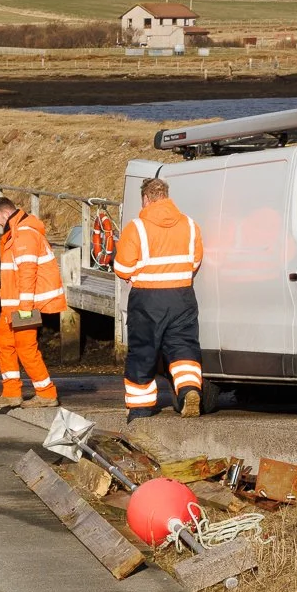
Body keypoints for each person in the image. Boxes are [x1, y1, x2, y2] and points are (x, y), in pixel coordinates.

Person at [113, 178, 205, 420]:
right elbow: (195, 261)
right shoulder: (190, 225)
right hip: (183, 296)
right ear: (166, 195)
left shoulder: (137, 227)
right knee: (183, 347)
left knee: (143, 351)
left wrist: (139, 273)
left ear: (145, 199)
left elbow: (122, 267)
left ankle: (141, 408)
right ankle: (189, 391)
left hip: (148, 298)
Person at [0, 195, 64, 413]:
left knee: (26, 348)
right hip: (12, 304)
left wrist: (25, 308)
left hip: (22, 305)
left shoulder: (24, 235)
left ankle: (46, 393)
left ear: (4, 213)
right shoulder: (18, 232)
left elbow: (28, 272)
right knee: (2, 342)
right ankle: (11, 392)